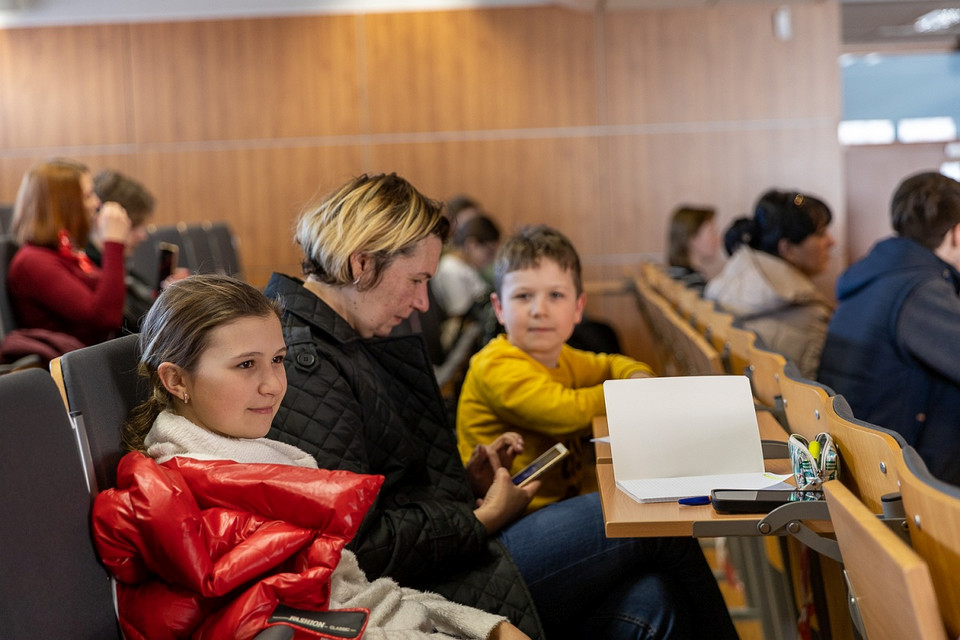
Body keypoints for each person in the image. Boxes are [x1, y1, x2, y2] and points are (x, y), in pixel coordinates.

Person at [265, 173, 739, 640]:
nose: (423, 302)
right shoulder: (306, 362)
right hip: (428, 582)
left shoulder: (338, 342)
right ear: (361, 264)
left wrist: (462, 483)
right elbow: (362, 546)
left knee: (654, 602)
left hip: (451, 549)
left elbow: (387, 482)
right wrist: (481, 517)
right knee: (651, 522)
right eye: (415, 280)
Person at [91, 274, 529, 640]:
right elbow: (315, 624)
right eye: (246, 365)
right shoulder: (202, 499)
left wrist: (482, 626)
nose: (272, 385)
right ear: (176, 380)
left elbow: (350, 595)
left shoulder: (245, 461)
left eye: (277, 360)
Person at [457, 224, 655, 512]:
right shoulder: (495, 364)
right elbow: (567, 411)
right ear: (499, 308)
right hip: (516, 522)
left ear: (578, 307)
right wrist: (630, 394)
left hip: (561, 504)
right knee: (645, 521)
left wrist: (638, 377)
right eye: (523, 296)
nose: (540, 309)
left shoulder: (561, 355)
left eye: (556, 296)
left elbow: (610, 363)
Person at [818, 172, 960, 486]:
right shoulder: (919, 291)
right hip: (901, 480)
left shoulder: (883, 274)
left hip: (867, 462)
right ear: (956, 234)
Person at [704, 189, 835, 378]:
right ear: (788, 249)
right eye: (821, 234)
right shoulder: (809, 314)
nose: (832, 241)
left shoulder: (728, 282)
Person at [7, 158, 130, 346]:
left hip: (95, 358)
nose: (97, 203)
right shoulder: (33, 262)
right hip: (72, 370)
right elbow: (106, 318)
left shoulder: (66, 253)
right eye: (88, 196)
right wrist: (113, 243)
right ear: (63, 206)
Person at [89, 169, 188, 332]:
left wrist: (170, 295)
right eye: (134, 226)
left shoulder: (121, 268)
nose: (143, 235)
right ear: (102, 222)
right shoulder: (90, 270)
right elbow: (136, 330)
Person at [431, 213, 501, 353]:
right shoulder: (451, 269)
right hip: (459, 338)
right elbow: (461, 313)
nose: (490, 259)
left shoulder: (467, 267)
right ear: (472, 244)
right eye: (488, 252)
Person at [666, 205, 723, 292]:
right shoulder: (693, 286)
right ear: (691, 238)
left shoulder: (674, 275)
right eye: (712, 231)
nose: (718, 238)